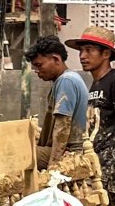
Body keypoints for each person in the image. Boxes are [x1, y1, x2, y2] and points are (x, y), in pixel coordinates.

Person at [66, 25, 115, 206]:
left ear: (106, 53)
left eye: (89, 50)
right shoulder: (95, 85)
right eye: (81, 50)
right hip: (95, 160)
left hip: (112, 162)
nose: (82, 55)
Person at [25, 36, 88, 170]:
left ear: (56, 59)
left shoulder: (66, 81)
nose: (36, 71)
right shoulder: (70, 78)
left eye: (39, 65)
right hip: (72, 149)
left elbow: (62, 128)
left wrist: (53, 166)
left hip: (71, 152)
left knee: (15, 155)